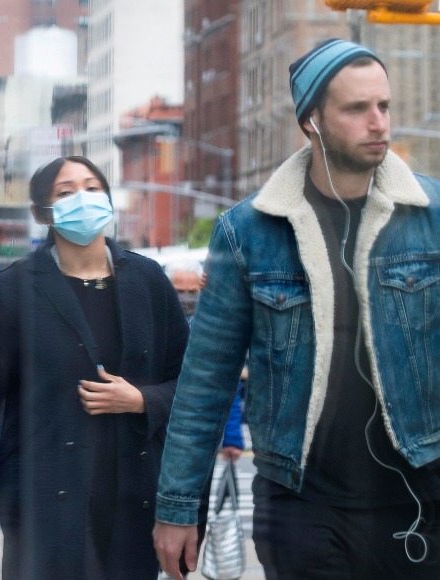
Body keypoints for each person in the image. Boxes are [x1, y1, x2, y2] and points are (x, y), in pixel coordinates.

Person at [155, 39, 440, 580]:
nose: (379, 122)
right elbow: (205, 383)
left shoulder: (433, 217)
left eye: (384, 106)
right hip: (301, 502)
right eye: (357, 109)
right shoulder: (247, 233)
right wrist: (176, 508)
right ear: (311, 119)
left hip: (420, 499)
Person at [0, 156, 190, 579]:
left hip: (131, 502)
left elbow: (193, 386)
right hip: (42, 503)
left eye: (92, 187)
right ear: (41, 213)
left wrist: (141, 399)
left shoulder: (148, 280)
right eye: (65, 192)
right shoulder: (15, 289)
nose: (83, 199)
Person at [165, 260, 245, 462]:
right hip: (159, 436)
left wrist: (232, 438)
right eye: (178, 291)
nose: (185, 297)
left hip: (199, 437)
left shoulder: (214, 330)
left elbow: (228, 385)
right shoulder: (153, 323)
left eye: (191, 291)